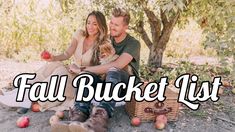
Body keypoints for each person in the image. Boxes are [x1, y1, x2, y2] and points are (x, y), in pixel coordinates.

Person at [0, 11, 108, 114]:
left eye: (95, 24)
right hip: (72, 71)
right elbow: (67, 53)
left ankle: (34, 99)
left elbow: (100, 70)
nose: (90, 26)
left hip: (81, 80)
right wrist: (53, 57)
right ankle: (24, 91)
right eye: (88, 23)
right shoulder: (80, 34)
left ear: (100, 26)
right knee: (54, 65)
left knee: (61, 73)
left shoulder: (103, 44)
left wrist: (79, 69)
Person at [52, 8, 141, 132]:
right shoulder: (104, 39)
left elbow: (117, 65)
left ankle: (99, 122)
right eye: (111, 23)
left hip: (125, 86)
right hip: (106, 85)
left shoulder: (133, 43)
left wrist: (82, 69)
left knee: (113, 71)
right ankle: (78, 115)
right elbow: (95, 63)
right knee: (86, 76)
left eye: (116, 25)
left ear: (125, 27)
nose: (112, 27)